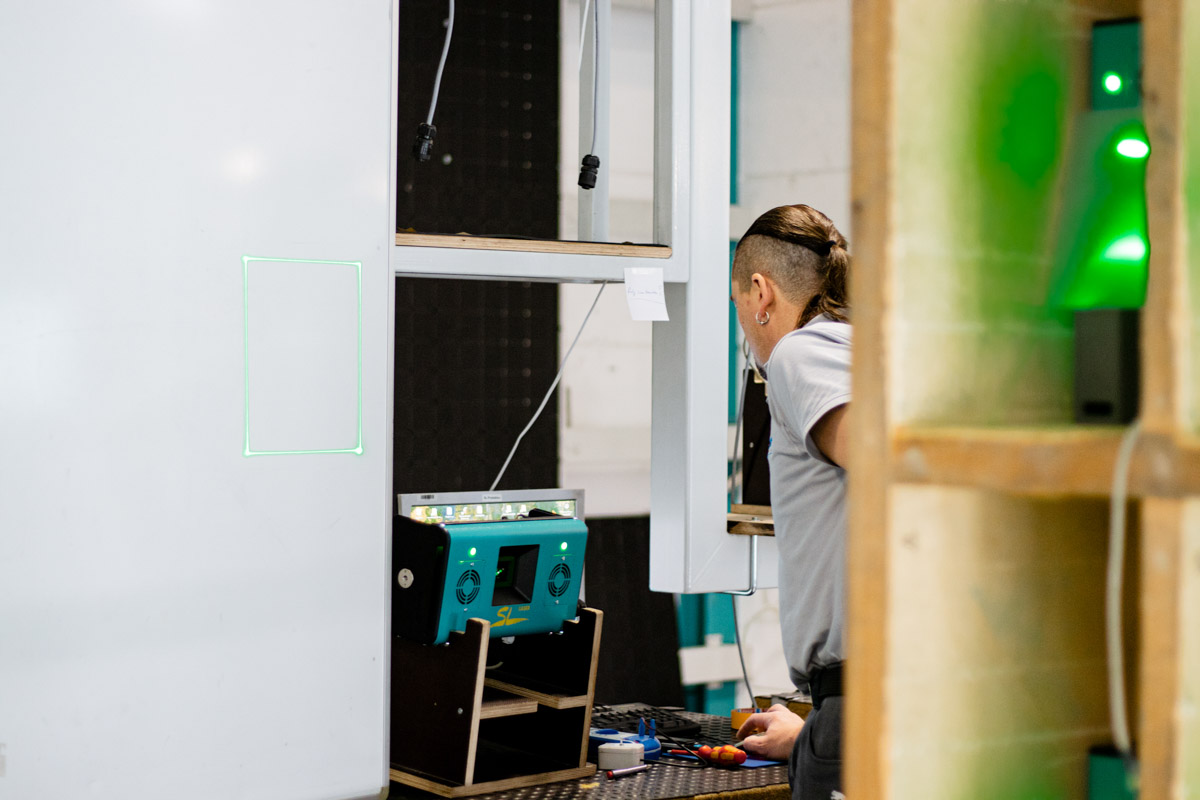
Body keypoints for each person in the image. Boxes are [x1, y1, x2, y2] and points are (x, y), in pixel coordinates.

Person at [730, 204, 851, 800]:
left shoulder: (801, 354)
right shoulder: (860, 349)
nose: (746, 329)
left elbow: (887, 462)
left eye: (738, 310)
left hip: (861, 703)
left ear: (760, 293)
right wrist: (809, 735)